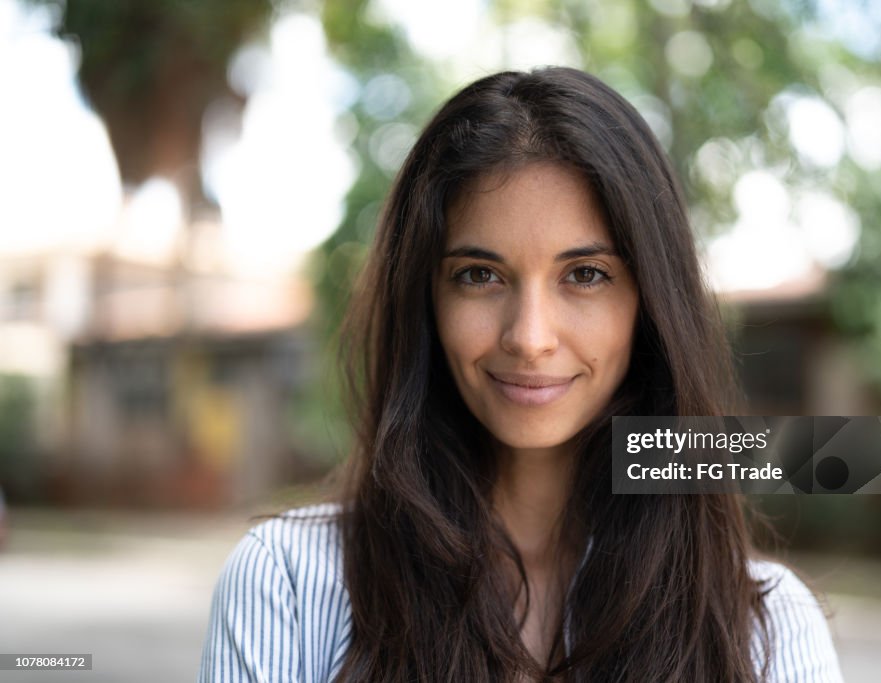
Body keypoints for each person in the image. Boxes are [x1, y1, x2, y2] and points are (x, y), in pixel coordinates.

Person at [198, 67, 844, 682]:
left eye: (585, 274)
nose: (529, 337)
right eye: (480, 275)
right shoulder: (288, 583)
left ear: (650, 304)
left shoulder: (765, 627)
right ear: (426, 299)